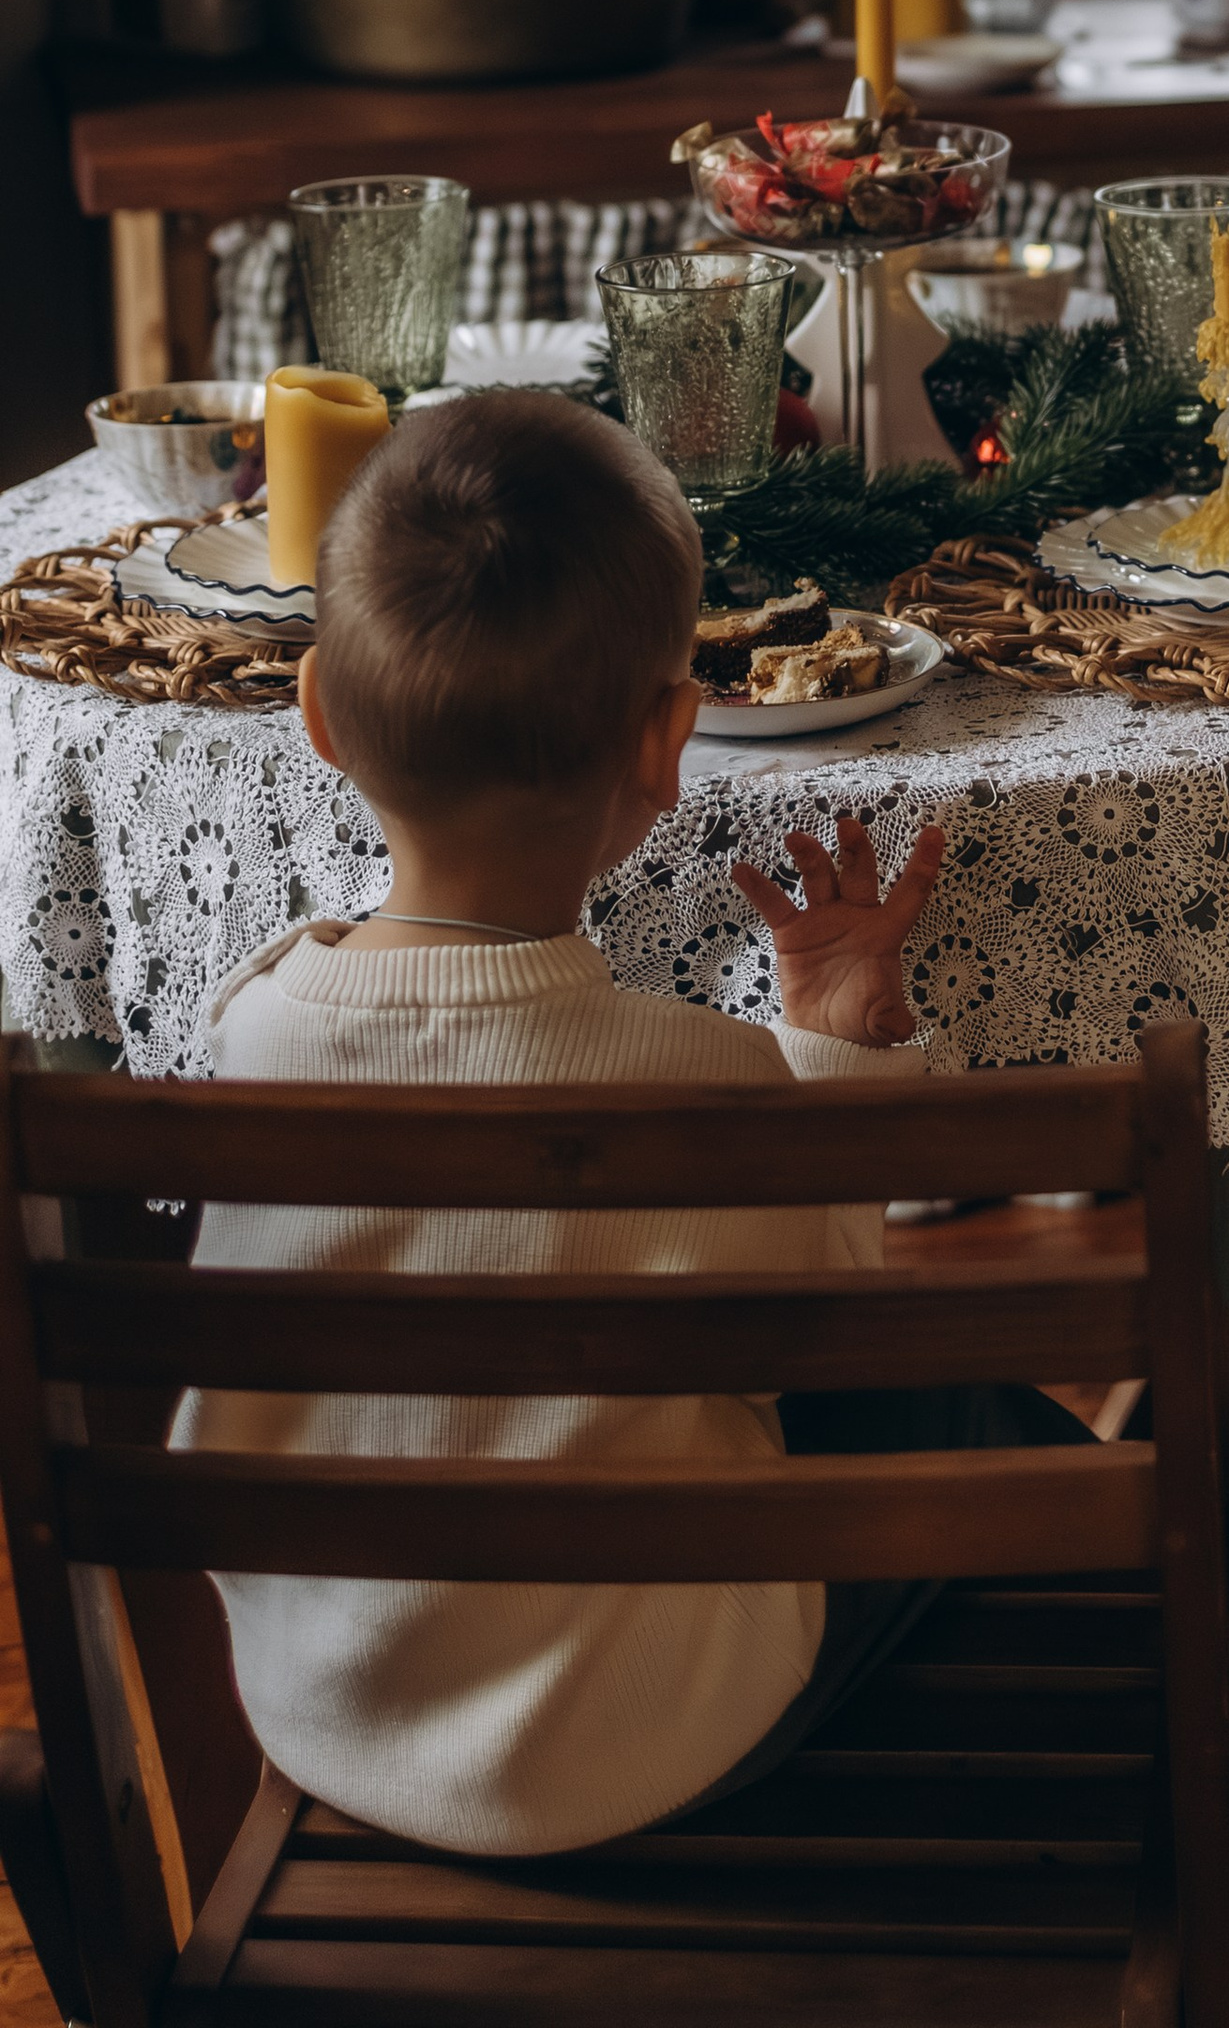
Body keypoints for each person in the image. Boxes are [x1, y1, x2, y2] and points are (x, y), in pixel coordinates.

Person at [173, 389, 1039, 1859]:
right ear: (668, 743)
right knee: (972, 1421)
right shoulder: (699, 1085)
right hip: (650, 1740)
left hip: (327, 1711)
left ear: (318, 712)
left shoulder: (249, 1030)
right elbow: (828, 1325)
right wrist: (827, 1052)